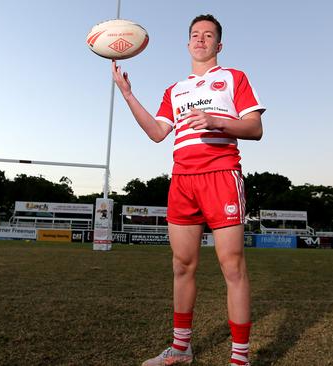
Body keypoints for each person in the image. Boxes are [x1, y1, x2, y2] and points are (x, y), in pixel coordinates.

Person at [112, 14, 265, 366]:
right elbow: (156, 132)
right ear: (187, 43)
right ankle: (181, 349)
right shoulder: (174, 90)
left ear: (218, 45)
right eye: (195, 34)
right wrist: (128, 94)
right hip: (182, 181)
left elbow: (255, 128)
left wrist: (217, 121)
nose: (201, 39)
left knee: (233, 267)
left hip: (221, 175)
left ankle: (239, 359)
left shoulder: (233, 78)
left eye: (208, 35)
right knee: (182, 265)